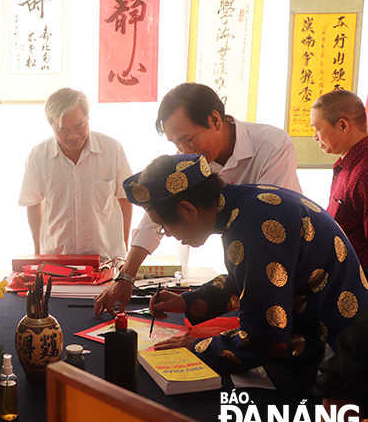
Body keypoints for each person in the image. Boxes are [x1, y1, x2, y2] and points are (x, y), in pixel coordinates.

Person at [123, 153, 367, 376]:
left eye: (163, 226)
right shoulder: (248, 203)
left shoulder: (250, 224)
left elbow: (267, 339)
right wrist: (186, 301)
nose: (166, 234)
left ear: (187, 209)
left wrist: (198, 346)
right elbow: (253, 277)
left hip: (340, 353)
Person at [96, 82, 302, 317]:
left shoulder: (271, 146)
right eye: (176, 144)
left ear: (215, 119)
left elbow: (265, 231)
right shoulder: (190, 157)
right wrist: (126, 277)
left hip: (288, 272)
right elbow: (157, 213)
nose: (183, 151)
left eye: (188, 139)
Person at [18, 87, 133, 263]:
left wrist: (124, 244)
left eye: (80, 126)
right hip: (56, 259)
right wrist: (37, 250)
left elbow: (125, 197)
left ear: (88, 118)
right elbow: (32, 203)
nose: (73, 136)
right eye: (63, 129)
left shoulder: (112, 149)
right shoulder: (38, 156)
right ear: (51, 124)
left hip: (106, 258)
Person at [310, 90, 368, 271]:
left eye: (318, 129)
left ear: (342, 126)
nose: (315, 137)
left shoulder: (364, 171)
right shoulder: (349, 162)